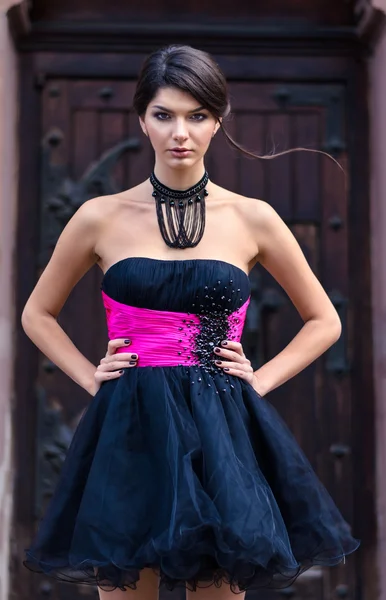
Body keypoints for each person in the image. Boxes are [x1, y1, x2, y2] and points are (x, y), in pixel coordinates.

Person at [21, 44, 359, 600]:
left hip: (222, 430)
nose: (181, 131)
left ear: (217, 121)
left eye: (197, 116)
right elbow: (38, 313)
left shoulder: (253, 217)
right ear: (142, 121)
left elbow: (324, 320)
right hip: (128, 425)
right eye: (164, 115)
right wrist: (89, 376)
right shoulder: (98, 217)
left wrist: (260, 379)